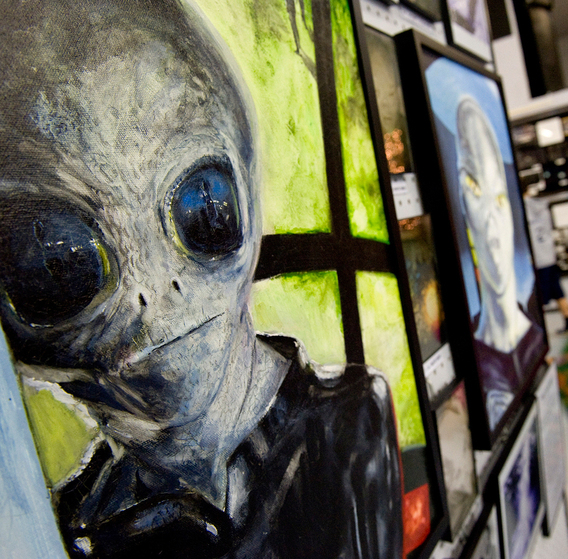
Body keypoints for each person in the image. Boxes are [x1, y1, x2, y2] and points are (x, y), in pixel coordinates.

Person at [0, 1, 402, 558]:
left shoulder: (345, 421)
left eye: (202, 210)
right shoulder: (80, 527)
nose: (150, 294)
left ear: (248, 195)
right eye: (58, 267)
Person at [455, 97, 546, 430]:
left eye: (499, 199)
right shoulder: (468, 349)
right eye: (474, 188)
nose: (491, 220)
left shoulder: (534, 340)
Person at [523, 194, 568, 332]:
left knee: (540, 299)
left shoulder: (527, 208)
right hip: (550, 258)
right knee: (558, 292)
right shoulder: (543, 209)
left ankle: (539, 330)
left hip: (540, 262)